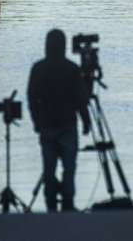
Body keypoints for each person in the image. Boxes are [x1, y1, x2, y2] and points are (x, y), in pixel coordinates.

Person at [27, 29, 91, 212]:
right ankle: (68, 204)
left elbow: (31, 98)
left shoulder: (38, 68)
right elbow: (81, 100)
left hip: (47, 128)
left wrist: (36, 121)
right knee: (69, 168)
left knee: (49, 169)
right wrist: (86, 122)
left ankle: (51, 206)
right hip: (67, 127)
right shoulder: (72, 69)